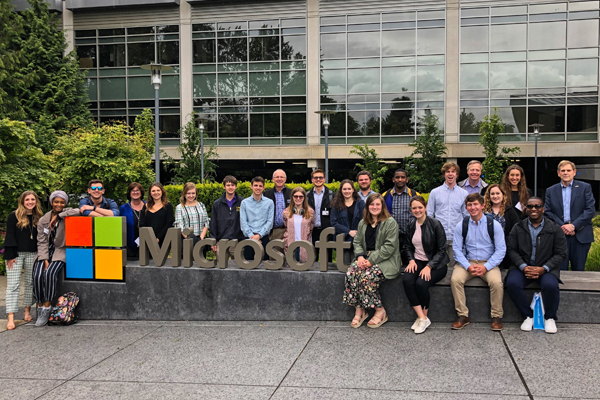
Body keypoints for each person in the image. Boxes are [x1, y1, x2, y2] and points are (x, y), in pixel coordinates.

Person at [506, 197, 567, 334]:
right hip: (523, 268)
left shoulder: (554, 229)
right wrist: (523, 266)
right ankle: (528, 316)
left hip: (546, 268)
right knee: (512, 283)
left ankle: (550, 317)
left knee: (551, 285)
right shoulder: (518, 227)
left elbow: (560, 254)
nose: (534, 209)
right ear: (526, 209)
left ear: (543, 209)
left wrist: (544, 269)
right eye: (530, 206)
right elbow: (512, 250)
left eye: (537, 206)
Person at [343, 193, 401, 329]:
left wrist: (371, 261)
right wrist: (360, 256)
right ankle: (360, 310)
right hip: (364, 258)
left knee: (367, 277)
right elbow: (357, 242)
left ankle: (380, 310)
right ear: (367, 206)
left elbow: (389, 247)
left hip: (385, 260)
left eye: (377, 204)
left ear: (382, 206)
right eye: (371, 204)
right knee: (351, 273)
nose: (374, 207)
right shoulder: (363, 223)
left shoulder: (390, 222)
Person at [451, 193, 506, 331]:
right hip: (468, 262)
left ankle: (496, 316)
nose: (472, 207)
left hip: (488, 262)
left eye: (475, 204)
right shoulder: (461, 225)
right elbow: (456, 249)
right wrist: (468, 266)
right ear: (466, 207)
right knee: (455, 280)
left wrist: (486, 267)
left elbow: (501, 250)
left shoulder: (494, 225)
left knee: (497, 283)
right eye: (469, 205)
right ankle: (463, 315)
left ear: (482, 206)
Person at [32, 191, 80, 327]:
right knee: (37, 275)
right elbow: (41, 242)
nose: (59, 204)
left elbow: (79, 210)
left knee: (50, 274)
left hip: (60, 251)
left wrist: (59, 216)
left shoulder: (66, 214)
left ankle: (47, 307)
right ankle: (40, 306)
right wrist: (44, 259)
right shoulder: (43, 220)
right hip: (45, 252)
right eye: (56, 202)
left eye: (62, 202)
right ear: (52, 202)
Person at [402, 196, 449, 334]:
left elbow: (442, 250)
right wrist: (410, 260)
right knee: (407, 280)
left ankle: (424, 316)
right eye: (414, 208)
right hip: (417, 260)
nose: (417, 210)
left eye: (420, 207)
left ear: (425, 207)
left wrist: (429, 266)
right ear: (411, 210)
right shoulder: (411, 225)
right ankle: (422, 317)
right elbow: (407, 246)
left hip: (437, 264)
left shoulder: (435, 224)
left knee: (421, 283)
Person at [544, 160, 596, 271]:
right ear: (558, 173)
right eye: (563, 171)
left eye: (568, 170)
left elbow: (590, 210)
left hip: (580, 236)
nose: (565, 173)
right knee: (559, 270)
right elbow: (547, 212)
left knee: (579, 271)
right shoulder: (550, 191)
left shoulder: (585, 187)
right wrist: (562, 227)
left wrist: (573, 226)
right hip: (559, 235)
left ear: (574, 172)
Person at [3, 191, 43, 330]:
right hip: (16, 254)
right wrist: (9, 255)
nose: (30, 202)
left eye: (33, 199)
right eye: (27, 200)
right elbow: (9, 235)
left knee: (30, 283)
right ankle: (11, 317)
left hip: (33, 254)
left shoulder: (39, 217)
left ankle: (27, 310)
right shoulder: (14, 216)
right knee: (13, 285)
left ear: (36, 201)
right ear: (22, 201)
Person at [427, 162, 469, 267]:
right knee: (437, 263)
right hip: (439, 235)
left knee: (453, 265)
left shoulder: (464, 194)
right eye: (448, 171)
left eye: (453, 172)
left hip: (456, 235)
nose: (450, 174)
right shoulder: (435, 192)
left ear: (457, 174)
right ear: (444, 174)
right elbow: (429, 214)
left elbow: (466, 215)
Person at [382, 168, 419, 265]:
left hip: (410, 235)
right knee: (392, 262)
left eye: (403, 177)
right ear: (393, 179)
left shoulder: (415, 195)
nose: (400, 179)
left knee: (410, 262)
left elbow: (421, 214)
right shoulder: (386, 195)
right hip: (392, 236)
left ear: (407, 179)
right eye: (397, 177)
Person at [483, 183, 521, 267]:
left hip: (505, 247)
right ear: (488, 196)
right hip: (486, 248)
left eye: (498, 193)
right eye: (492, 194)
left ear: (503, 195)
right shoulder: (484, 211)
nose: (495, 196)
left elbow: (516, 229)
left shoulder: (510, 210)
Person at [331, 180, 366, 265]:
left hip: (358, 240)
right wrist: (349, 232)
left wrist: (356, 233)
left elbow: (364, 220)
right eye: (344, 189)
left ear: (353, 190)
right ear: (341, 190)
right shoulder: (336, 205)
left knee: (358, 266)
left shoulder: (360, 203)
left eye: (349, 189)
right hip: (343, 241)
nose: (347, 191)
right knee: (344, 266)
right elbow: (333, 223)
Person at [209, 175, 244, 260]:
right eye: (228, 185)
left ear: (236, 186)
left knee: (238, 269)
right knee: (221, 267)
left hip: (237, 242)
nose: (230, 187)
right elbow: (213, 223)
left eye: (232, 185)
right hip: (221, 241)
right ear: (224, 186)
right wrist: (213, 240)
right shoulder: (217, 204)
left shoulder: (242, 202)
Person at [240, 176, 274, 260]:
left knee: (264, 266)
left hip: (264, 238)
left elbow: (270, 222)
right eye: (255, 185)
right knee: (247, 264)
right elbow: (243, 222)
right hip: (248, 237)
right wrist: (252, 236)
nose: (258, 188)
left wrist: (259, 236)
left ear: (263, 187)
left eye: (260, 186)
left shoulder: (269, 203)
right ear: (251, 186)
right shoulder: (244, 203)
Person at [307, 169, 334, 263]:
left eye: (320, 177)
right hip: (312, 231)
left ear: (324, 179)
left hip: (327, 231)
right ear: (312, 180)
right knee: (311, 259)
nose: (318, 179)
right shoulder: (306, 196)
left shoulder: (331, 195)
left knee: (327, 260)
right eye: (316, 177)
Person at [282, 187, 315, 262]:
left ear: (304, 198)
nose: (298, 198)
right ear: (292, 197)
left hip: (304, 244)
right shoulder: (286, 212)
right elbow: (286, 225)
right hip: (290, 243)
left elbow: (311, 227)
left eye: (301, 196)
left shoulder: (311, 212)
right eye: (296, 196)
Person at [174, 182, 209, 248]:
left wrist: (200, 240)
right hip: (186, 240)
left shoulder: (201, 205)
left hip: (201, 239)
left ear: (196, 193)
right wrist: (191, 241)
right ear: (184, 194)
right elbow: (180, 226)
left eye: (193, 193)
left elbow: (206, 223)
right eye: (188, 193)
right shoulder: (179, 207)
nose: (191, 196)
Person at [119, 182, 145, 260]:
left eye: (137, 190)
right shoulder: (123, 208)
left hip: (146, 244)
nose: (135, 192)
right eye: (132, 190)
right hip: (129, 245)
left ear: (141, 192)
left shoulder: (148, 206)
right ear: (129, 193)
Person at [264, 169, 291, 242]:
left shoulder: (292, 193)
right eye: (277, 177)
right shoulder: (266, 194)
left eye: (282, 177)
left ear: (285, 179)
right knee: (274, 252)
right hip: (273, 231)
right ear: (273, 179)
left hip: (289, 230)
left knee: (290, 252)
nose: (279, 179)